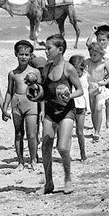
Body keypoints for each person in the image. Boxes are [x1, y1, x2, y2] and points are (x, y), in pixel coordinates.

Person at [38, 34, 82, 194]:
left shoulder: (68, 68)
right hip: (50, 111)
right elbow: (43, 91)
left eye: (49, 48)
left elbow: (80, 90)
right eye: (45, 48)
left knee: (62, 148)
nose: (46, 51)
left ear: (60, 49)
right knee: (46, 147)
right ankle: (49, 183)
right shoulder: (47, 68)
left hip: (66, 111)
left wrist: (69, 95)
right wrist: (40, 105)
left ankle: (67, 178)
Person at [3, 41, 41, 171]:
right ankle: (20, 161)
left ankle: (33, 159)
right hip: (17, 103)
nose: (24, 57)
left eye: (26, 54)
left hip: (31, 103)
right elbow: (9, 91)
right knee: (18, 133)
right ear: (16, 54)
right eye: (21, 54)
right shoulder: (13, 74)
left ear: (31, 55)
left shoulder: (35, 72)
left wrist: (42, 110)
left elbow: (41, 91)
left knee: (32, 134)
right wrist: (4, 107)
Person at [86, 42, 109, 140]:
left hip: (100, 87)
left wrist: (105, 83)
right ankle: (95, 128)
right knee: (93, 110)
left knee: (98, 108)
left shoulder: (104, 63)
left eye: (95, 55)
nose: (92, 57)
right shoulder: (87, 62)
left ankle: (98, 131)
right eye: (91, 55)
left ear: (101, 54)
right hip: (90, 87)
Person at [94, 24, 109, 125]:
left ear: (108, 40)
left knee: (108, 99)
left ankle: (108, 120)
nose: (101, 42)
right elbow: (88, 44)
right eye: (99, 40)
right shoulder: (96, 51)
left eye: (103, 40)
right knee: (97, 100)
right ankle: (97, 121)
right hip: (98, 76)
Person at [68, 54, 88, 161]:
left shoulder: (85, 76)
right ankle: (68, 154)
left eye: (78, 71)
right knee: (69, 132)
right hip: (70, 106)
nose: (77, 73)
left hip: (81, 107)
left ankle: (83, 153)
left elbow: (87, 93)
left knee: (80, 132)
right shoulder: (68, 77)